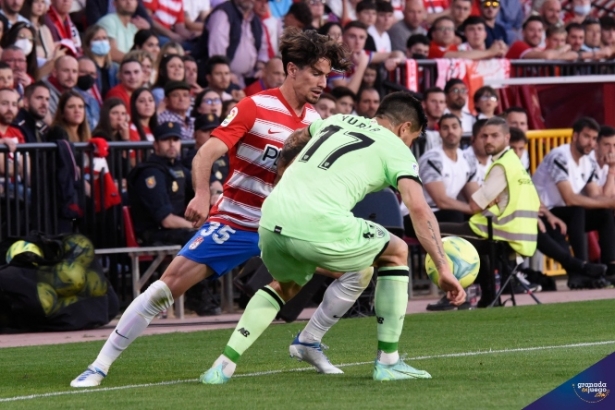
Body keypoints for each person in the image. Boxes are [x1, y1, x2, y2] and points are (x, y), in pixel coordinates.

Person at [70, 28, 348, 388]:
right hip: (237, 221)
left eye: (327, 74)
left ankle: (309, 342)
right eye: (316, 73)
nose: (323, 82)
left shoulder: (316, 124)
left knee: (358, 267)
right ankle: (99, 365)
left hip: (283, 225)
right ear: (292, 69)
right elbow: (206, 153)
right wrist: (201, 194)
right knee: (165, 288)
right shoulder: (254, 107)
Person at [201, 92, 465, 383]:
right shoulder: (396, 148)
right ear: (404, 128)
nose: (409, 144)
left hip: (273, 214)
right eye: (412, 138)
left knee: (287, 284)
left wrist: (282, 173)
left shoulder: (335, 121)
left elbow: (293, 141)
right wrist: (442, 268)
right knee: (397, 249)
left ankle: (223, 365)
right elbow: (418, 208)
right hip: (317, 220)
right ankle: (388, 362)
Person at [438, 116, 540, 307]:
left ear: (507, 138)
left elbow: (475, 205)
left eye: (495, 136)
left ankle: (451, 296)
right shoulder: (515, 165)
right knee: (474, 244)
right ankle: (488, 297)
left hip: (500, 233)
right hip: (519, 236)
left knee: (434, 233)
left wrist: (485, 200)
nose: (488, 140)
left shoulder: (502, 166)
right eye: (484, 136)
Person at [532, 117, 615, 283]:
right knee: (577, 210)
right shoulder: (560, 156)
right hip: (541, 212)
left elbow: (595, 196)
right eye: (586, 137)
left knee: (604, 214)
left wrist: (609, 202)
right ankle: (584, 269)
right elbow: (569, 198)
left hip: (563, 213)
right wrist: (610, 202)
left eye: (593, 138)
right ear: (575, 136)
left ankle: (610, 269)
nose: (590, 143)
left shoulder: (587, 161)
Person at [126, 121, 195, 245]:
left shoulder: (177, 168)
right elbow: (166, 220)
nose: (172, 144)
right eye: (166, 140)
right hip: (155, 235)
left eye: (176, 139)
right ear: (156, 145)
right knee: (203, 238)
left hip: (178, 231)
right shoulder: (150, 172)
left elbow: (200, 187)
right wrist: (197, 227)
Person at [205, 0, 269, 87]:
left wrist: (261, 68)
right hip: (224, 79)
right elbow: (217, 54)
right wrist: (228, 74)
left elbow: (263, 51)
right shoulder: (223, 13)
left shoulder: (256, 19)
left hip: (248, 79)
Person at [83, 25, 119, 99]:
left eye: (104, 38)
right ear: (88, 45)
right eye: (97, 39)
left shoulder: (115, 68)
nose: (102, 42)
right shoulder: (86, 68)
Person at [464, 118, 491, 185]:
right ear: (473, 139)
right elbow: (475, 195)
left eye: (493, 136)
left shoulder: (499, 159)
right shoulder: (464, 160)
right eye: (484, 136)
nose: (489, 141)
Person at [591, 126, 615, 197]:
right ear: (596, 145)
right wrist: (612, 169)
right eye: (607, 145)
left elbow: (612, 194)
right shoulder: (588, 162)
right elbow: (604, 198)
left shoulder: (609, 162)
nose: (612, 150)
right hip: (579, 206)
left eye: (614, 145)